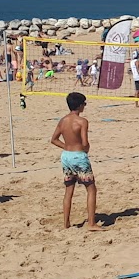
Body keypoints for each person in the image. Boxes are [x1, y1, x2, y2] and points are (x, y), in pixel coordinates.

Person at [50, 92, 98, 230]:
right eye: (84, 103)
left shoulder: (63, 120)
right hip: (78, 156)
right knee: (91, 189)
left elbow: (53, 139)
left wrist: (67, 147)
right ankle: (91, 223)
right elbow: (85, 142)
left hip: (66, 156)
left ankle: (66, 223)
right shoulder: (82, 121)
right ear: (80, 105)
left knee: (69, 190)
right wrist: (85, 150)